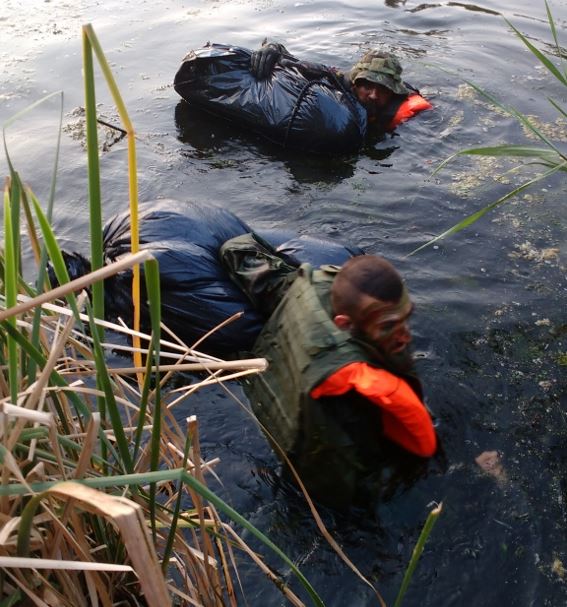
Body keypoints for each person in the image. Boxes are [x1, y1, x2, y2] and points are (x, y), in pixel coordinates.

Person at [220, 233, 437, 509]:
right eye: (388, 326)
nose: (405, 336)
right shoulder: (341, 397)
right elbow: (334, 487)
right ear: (344, 323)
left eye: (407, 318)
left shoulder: (312, 288)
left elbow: (235, 249)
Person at [250, 42, 431, 131]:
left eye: (383, 90)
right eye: (367, 85)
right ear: (354, 83)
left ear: (393, 91)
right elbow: (298, 64)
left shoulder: (402, 104)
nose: (374, 95)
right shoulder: (337, 80)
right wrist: (274, 48)